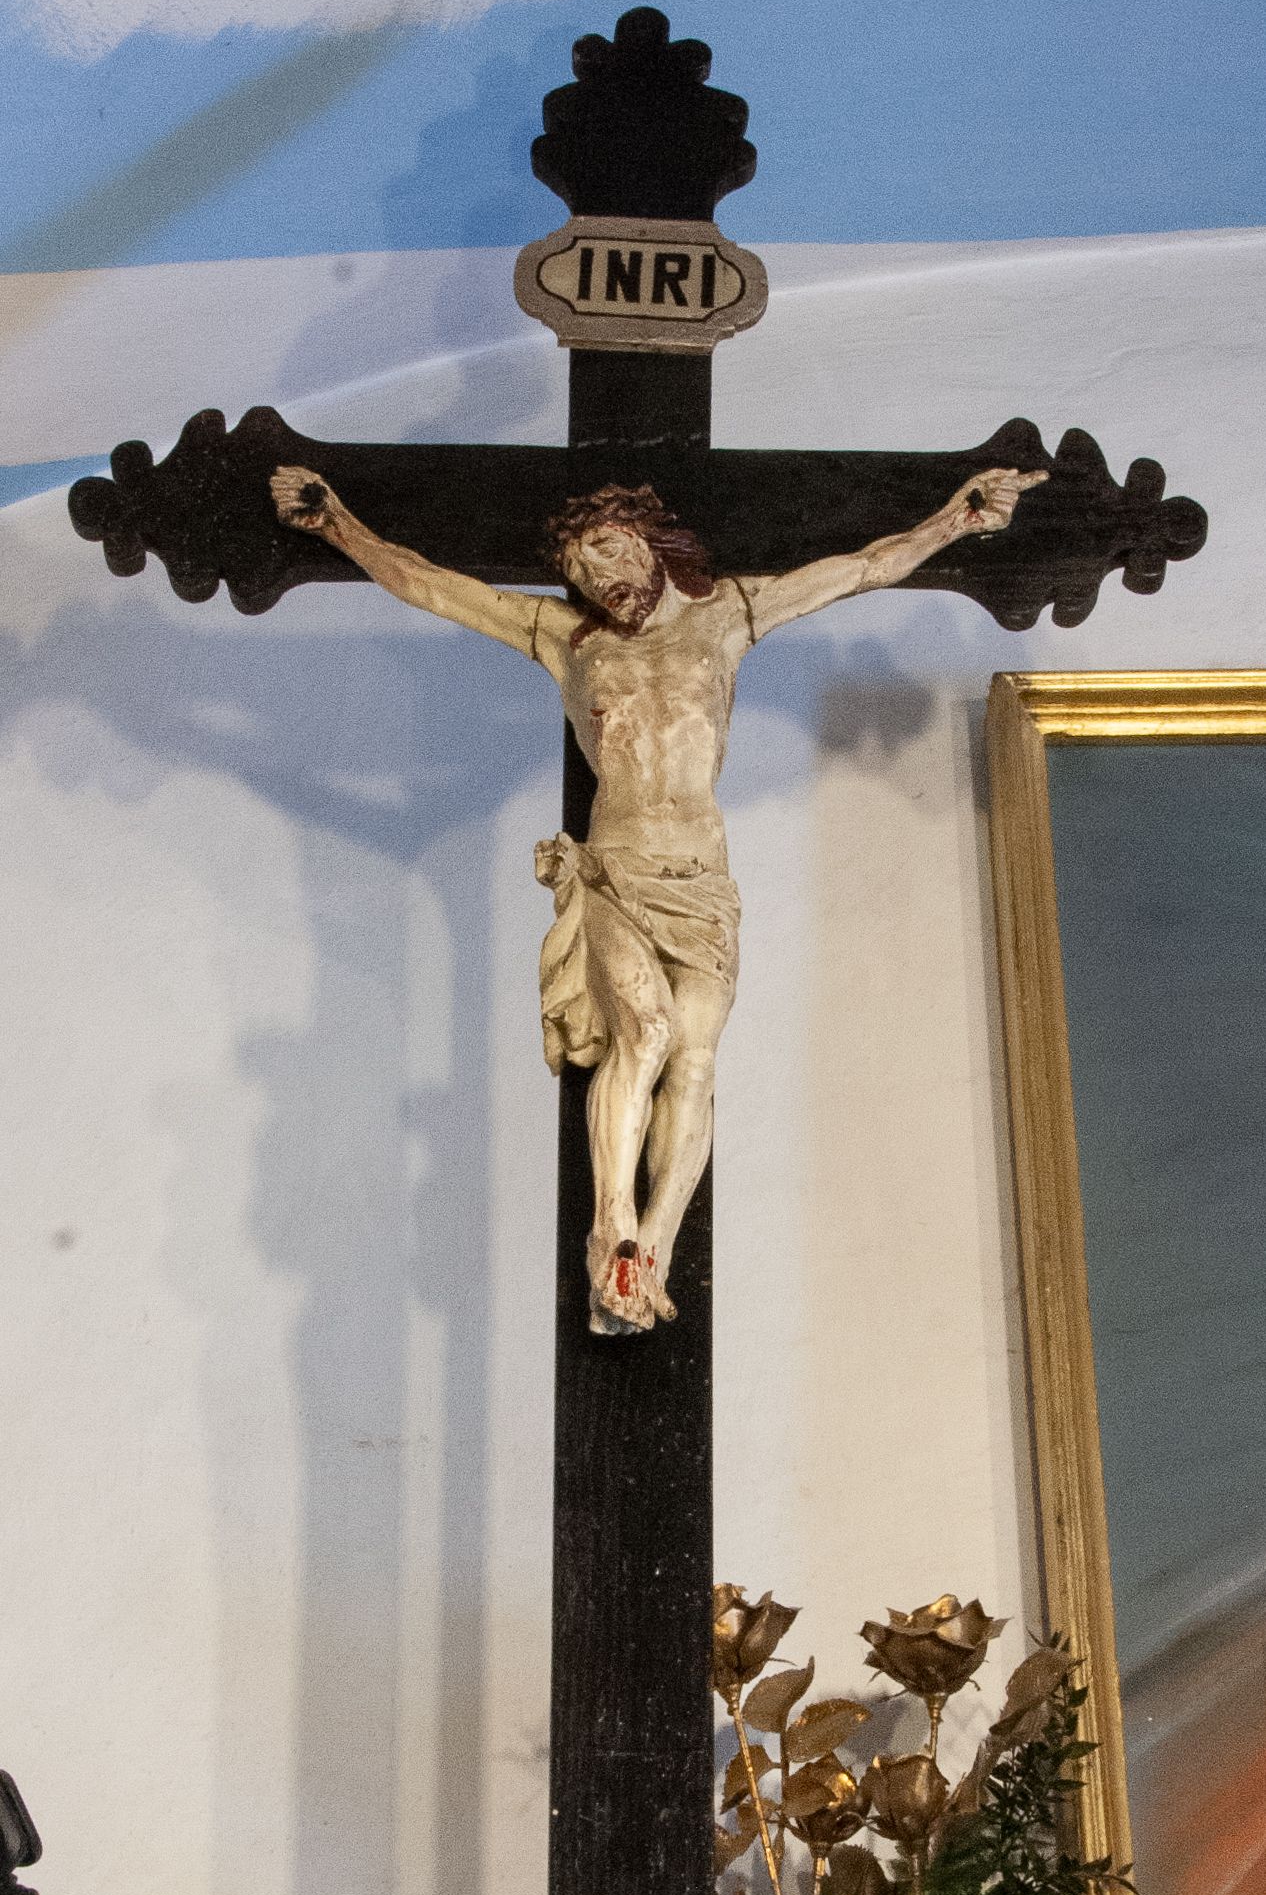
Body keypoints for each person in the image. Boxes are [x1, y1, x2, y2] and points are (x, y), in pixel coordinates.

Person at [272, 460, 1044, 1333]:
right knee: (644, 1034)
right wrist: (337, 524)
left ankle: (655, 1254)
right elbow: (435, 587)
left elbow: (863, 568)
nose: (596, 577)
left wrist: (958, 520)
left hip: (703, 882)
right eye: (579, 568)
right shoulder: (565, 639)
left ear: (650, 539)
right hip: (619, 870)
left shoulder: (731, 614)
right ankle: (612, 1226)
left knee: (697, 1062)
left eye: (607, 550)